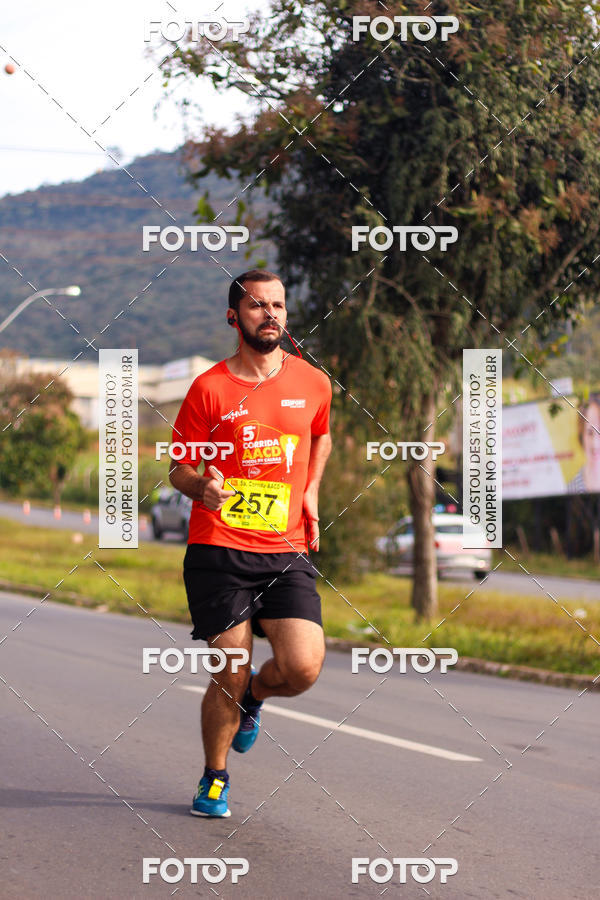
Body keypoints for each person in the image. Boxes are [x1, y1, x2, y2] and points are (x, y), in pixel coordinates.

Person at [169, 269, 332, 818]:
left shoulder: (313, 382)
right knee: (230, 668)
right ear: (233, 316)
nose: (271, 314)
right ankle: (214, 777)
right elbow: (179, 468)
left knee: (303, 668)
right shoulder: (209, 388)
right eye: (258, 305)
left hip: (286, 549)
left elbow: (321, 435)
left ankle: (255, 698)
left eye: (278, 305)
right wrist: (202, 487)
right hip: (219, 548)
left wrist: (310, 490)